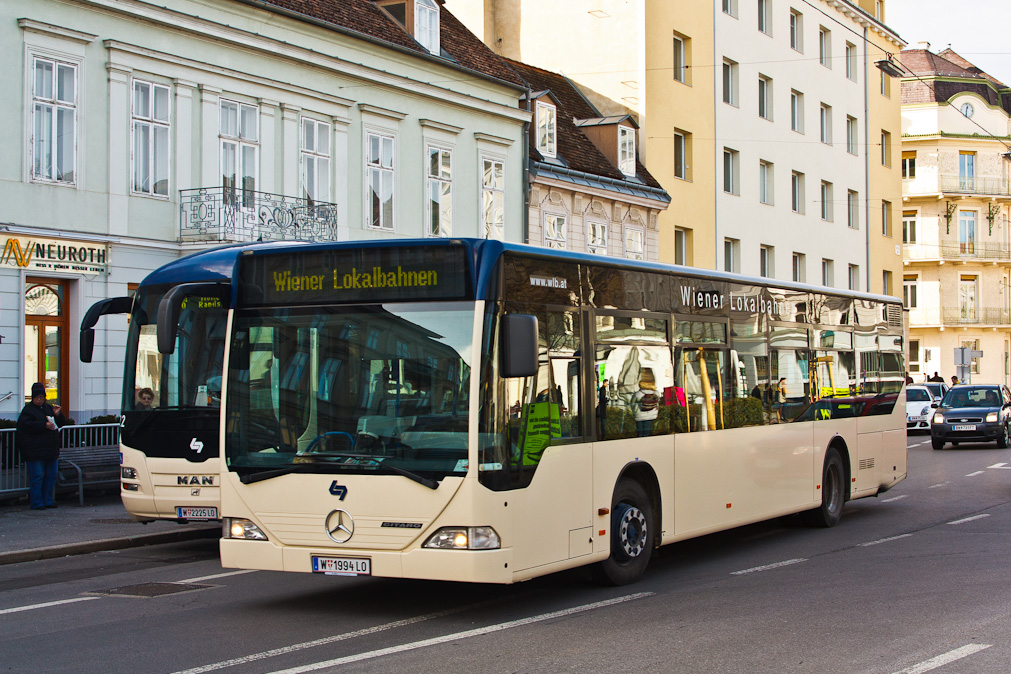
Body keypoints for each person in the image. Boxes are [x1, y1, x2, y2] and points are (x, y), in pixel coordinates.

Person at [16, 383, 67, 510]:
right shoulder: (27, 411)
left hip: (50, 450)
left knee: (51, 475)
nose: (39, 400)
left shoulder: (48, 408)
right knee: (37, 477)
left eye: (41, 397)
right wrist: (43, 425)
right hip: (34, 450)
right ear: (33, 398)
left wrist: (57, 414)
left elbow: (61, 423)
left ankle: (48, 500)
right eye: (37, 397)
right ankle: (37, 502)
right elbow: (25, 426)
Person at [633, 369, 659, 437]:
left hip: (639, 416)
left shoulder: (638, 394)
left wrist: (634, 412)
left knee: (640, 433)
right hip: (651, 415)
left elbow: (632, 404)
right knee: (647, 433)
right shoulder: (656, 393)